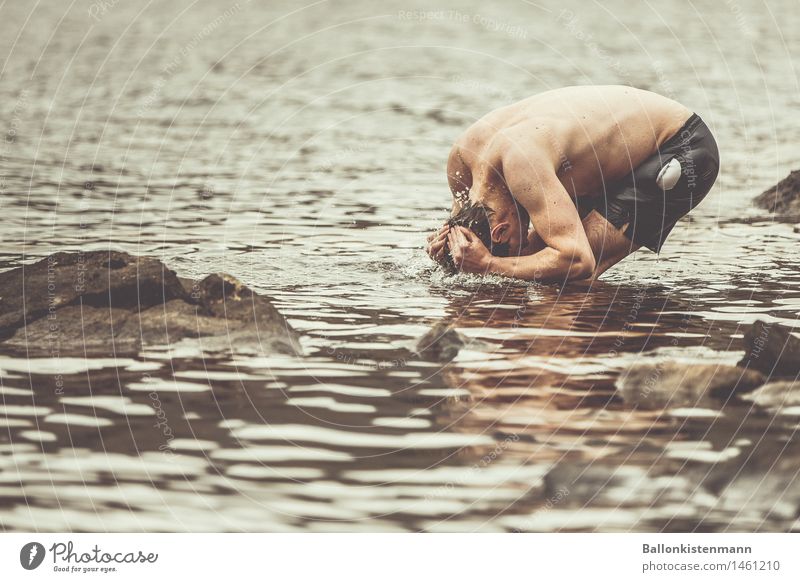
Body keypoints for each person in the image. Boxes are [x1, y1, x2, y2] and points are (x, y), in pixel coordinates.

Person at [426, 85, 719, 283]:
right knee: (536, 266)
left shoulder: (520, 164)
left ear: (501, 230)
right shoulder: (463, 158)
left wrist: (490, 265)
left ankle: (597, 369)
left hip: (681, 146)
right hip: (613, 161)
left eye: (519, 240)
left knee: (567, 277)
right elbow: (464, 229)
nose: (526, 237)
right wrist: (446, 251)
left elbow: (579, 260)